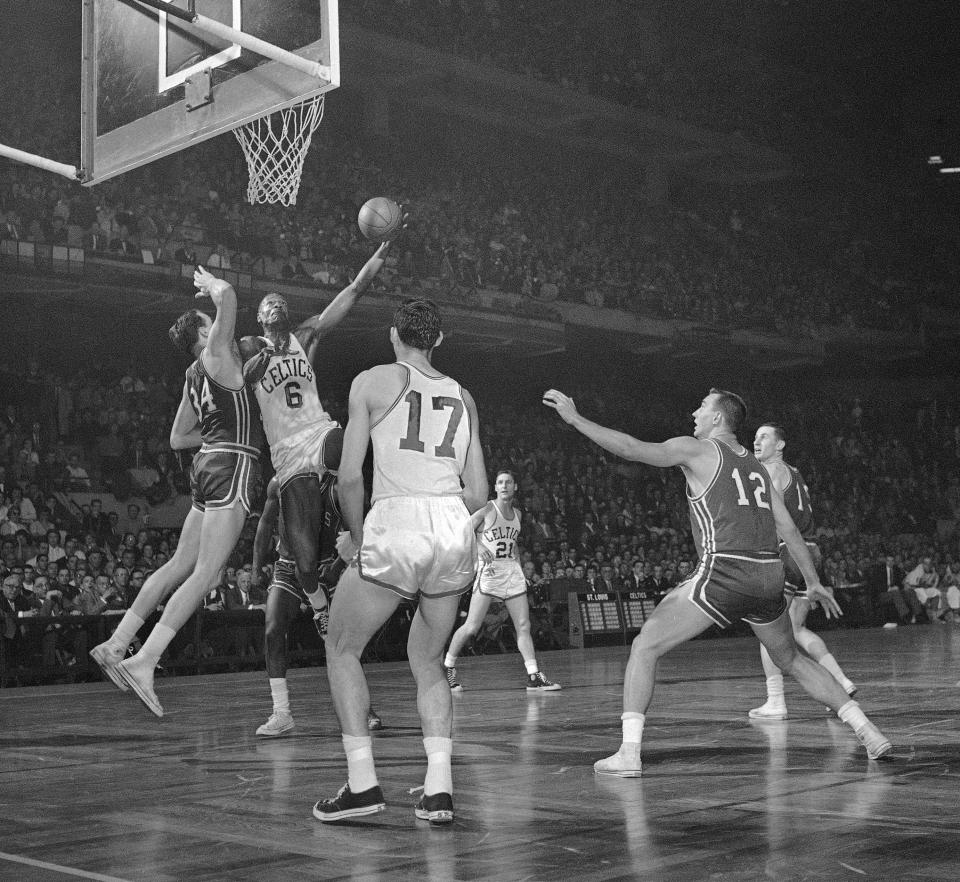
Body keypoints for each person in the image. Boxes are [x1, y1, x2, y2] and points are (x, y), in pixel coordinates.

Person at [542, 387, 892, 775]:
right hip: (768, 574)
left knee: (645, 646)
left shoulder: (699, 450)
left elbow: (630, 448)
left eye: (701, 408)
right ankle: (866, 728)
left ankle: (629, 752)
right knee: (790, 657)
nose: (694, 413)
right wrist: (814, 581)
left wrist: (575, 419)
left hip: (725, 570)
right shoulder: (757, 467)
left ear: (717, 419)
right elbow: (790, 530)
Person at [313, 299, 487, 826]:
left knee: (342, 648)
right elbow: (479, 491)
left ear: (394, 336)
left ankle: (363, 783)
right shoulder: (464, 395)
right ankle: (439, 790)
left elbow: (348, 477)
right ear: (439, 340)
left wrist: (359, 536)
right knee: (428, 659)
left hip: (397, 522)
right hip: (453, 528)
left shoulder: (371, 381)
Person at [88, 266, 266, 716]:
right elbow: (229, 297)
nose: (220, 324)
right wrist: (211, 285)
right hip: (233, 461)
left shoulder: (191, 374)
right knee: (206, 573)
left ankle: (116, 642)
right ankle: (145, 660)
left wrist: (214, 435)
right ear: (205, 332)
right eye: (211, 322)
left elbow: (177, 439)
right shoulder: (217, 354)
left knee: (179, 564)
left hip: (206, 465)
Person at [238, 239, 394, 631]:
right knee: (304, 564)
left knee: (356, 445)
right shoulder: (249, 347)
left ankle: (366, 533)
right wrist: (261, 359)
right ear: (260, 317)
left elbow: (353, 291)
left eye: (281, 301)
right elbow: (241, 377)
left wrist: (379, 254)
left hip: (318, 431)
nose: (276, 304)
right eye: (268, 302)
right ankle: (321, 608)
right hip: (287, 455)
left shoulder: (305, 337)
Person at [251, 474, 382, 737]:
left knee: (343, 644)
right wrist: (256, 567)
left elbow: (358, 534)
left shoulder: (335, 488)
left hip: (325, 569)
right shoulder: (279, 481)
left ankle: (364, 708)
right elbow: (265, 523)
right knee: (273, 630)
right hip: (288, 567)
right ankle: (281, 712)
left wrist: (335, 569)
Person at [748, 423, 857, 720]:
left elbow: (773, 518)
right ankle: (840, 681)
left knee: (767, 631)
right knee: (795, 630)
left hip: (788, 550)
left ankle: (776, 701)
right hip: (811, 552)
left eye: (764, 436)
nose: (757, 441)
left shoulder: (770, 470)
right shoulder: (795, 473)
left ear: (780, 445)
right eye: (755, 436)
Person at [443, 469, 560, 692]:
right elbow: (463, 529)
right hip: (490, 571)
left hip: (511, 571)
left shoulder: (518, 514)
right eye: (500, 482)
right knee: (472, 627)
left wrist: (517, 566)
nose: (504, 485)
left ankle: (534, 676)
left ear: (515, 487)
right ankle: (447, 666)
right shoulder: (488, 508)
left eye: (508, 482)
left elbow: (512, 541)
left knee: (523, 625)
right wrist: (478, 547)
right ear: (495, 487)